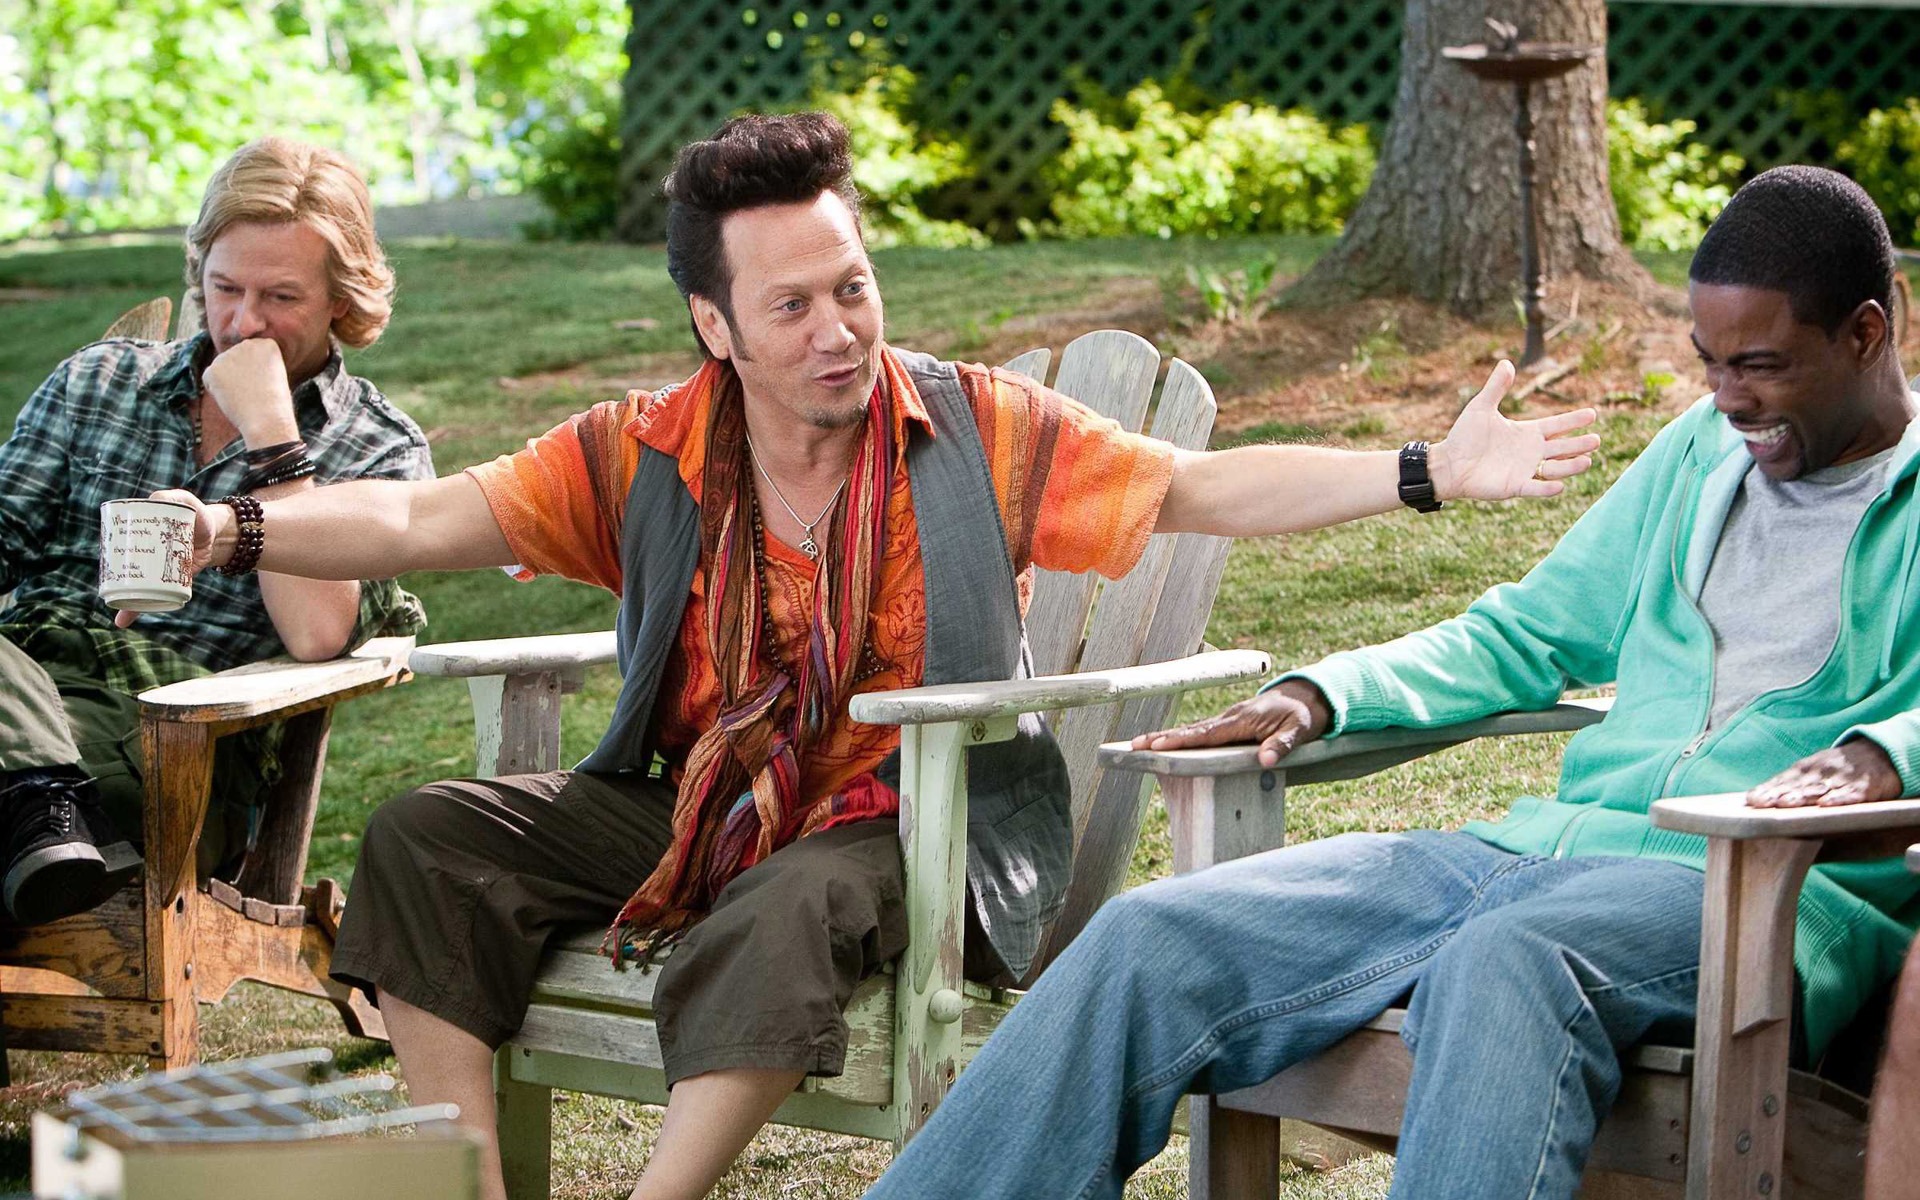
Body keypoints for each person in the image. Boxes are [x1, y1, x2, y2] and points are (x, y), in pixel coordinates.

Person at [140, 112, 1595, 1200]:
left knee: (791, 901)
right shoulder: (646, 452)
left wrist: (1425, 471)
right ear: (716, 325)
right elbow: (416, 516)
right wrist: (233, 530)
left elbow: (1199, 489)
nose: (838, 330)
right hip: (701, 803)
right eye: (792, 306)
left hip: (918, 825)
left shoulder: (978, 430)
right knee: (426, 835)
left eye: (852, 286)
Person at [864, 164, 1920, 1200]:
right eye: (1711, 364)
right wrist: (1320, 694)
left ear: (1868, 333)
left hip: (1744, 894)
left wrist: (1886, 754)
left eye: (1761, 366)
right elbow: (1523, 634)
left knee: (1507, 963)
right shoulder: (1697, 454)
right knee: (1152, 938)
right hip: (1531, 856)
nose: (1728, 399)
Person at [0, 137, 432, 927]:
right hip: (19, 686)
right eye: (225, 287)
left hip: (167, 741)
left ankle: (37, 800)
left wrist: (273, 433)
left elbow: (317, 634)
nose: (242, 321)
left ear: (341, 298)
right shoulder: (99, 382)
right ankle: (35, 800)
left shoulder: (377, 448)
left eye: (281, 297)